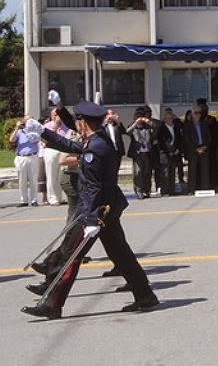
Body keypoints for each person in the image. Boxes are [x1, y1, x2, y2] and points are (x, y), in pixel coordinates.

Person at [21, 101, 158, 320]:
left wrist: (91, 219)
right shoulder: (98, 140)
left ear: (83, 122)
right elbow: (72, 146)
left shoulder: (95, 146)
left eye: (78, 120)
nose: (76, 123)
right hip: (107, 209)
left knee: (71, 256)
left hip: (97, 213)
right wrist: (43, 133)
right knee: (121, 255)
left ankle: (52, 304)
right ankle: (145, 296)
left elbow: (93, 186)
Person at [184, 99, 215, 192]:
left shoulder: (204, 124)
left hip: (204, 149)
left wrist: (205, 147)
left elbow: (209, 137)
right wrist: (196, 149)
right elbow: (187, 139)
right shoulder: (187, 125)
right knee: (192, 171)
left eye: (199, 113)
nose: (197, 115)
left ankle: (205, 189)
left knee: (205, 170)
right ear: (192, 115)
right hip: (193, 150)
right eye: (195, 113)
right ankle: (191, 190)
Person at [126, 106, 156, 199]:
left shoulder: (147, 128)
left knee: (147, 172)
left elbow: (156, 129)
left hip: (147, 152)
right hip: (137, 153)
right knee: (138, 173)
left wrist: (148, 122)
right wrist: (135, 124)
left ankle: (147, 190)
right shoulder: (133, 127)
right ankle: (139, 191)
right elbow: (127, 131)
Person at [41, 106, 69, 206]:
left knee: (61, 175)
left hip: (62, 151)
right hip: (51, 150)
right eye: (55, 115)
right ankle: (52, 198)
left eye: (59, 115)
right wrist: (55, 126)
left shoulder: (66, 126)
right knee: (51, 175)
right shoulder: (47, 126)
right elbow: (45, 139)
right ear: (52, 116)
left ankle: (60, 196)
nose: (58, 117)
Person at [10, 117, 41, 206]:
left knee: (33, 179)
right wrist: (17, 128)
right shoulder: (20, 132)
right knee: (22, 180)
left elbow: (37, 139)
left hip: (32, 156)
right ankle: (23, 200)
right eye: (26, 121)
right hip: (21, 157)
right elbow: (11, 140)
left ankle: (34, 200)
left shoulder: (35, 132)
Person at [156, 108, 184, 196]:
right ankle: (165, 191)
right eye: (167, 118)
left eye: (170, 118)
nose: (169, 120)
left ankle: (172, 189)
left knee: (172, 171)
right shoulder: (161, 128)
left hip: (175, 153)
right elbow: (163, 142)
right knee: (165, 172)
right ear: (164, 119)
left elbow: (179, 139)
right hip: (165, 153)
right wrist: (170, 151)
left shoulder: (175, 127)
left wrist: (177, 149)